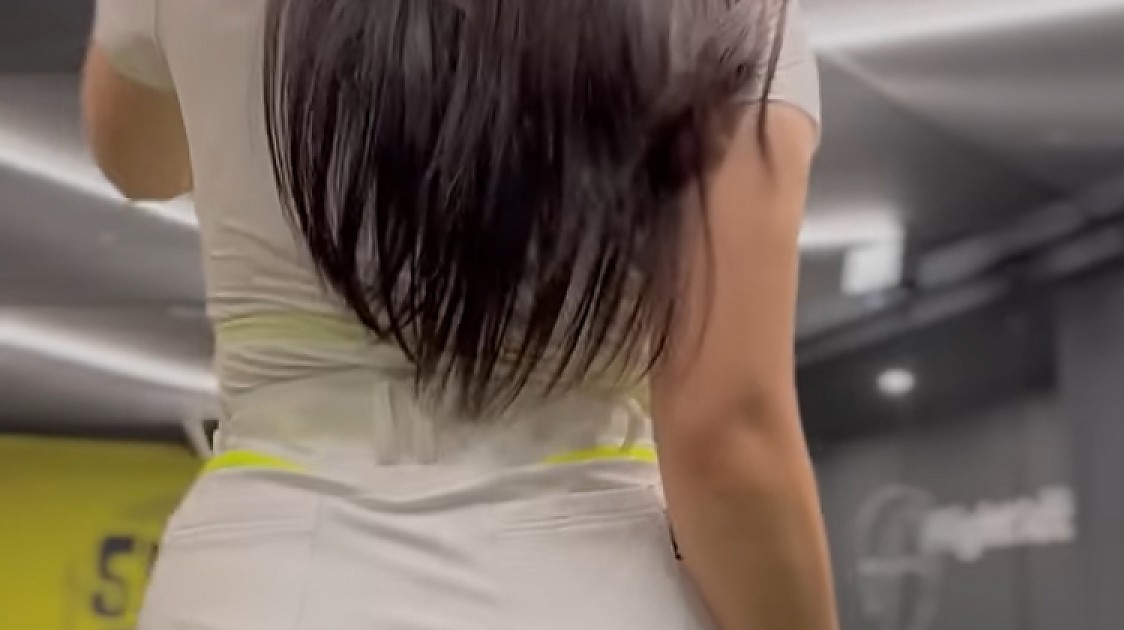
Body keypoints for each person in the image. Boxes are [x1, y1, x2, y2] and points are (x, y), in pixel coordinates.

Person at [84, 0, 836, 628]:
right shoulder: (731, 14)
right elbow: (726, 435)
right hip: (585, 576)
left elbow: (136, 157)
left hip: (261, 574)